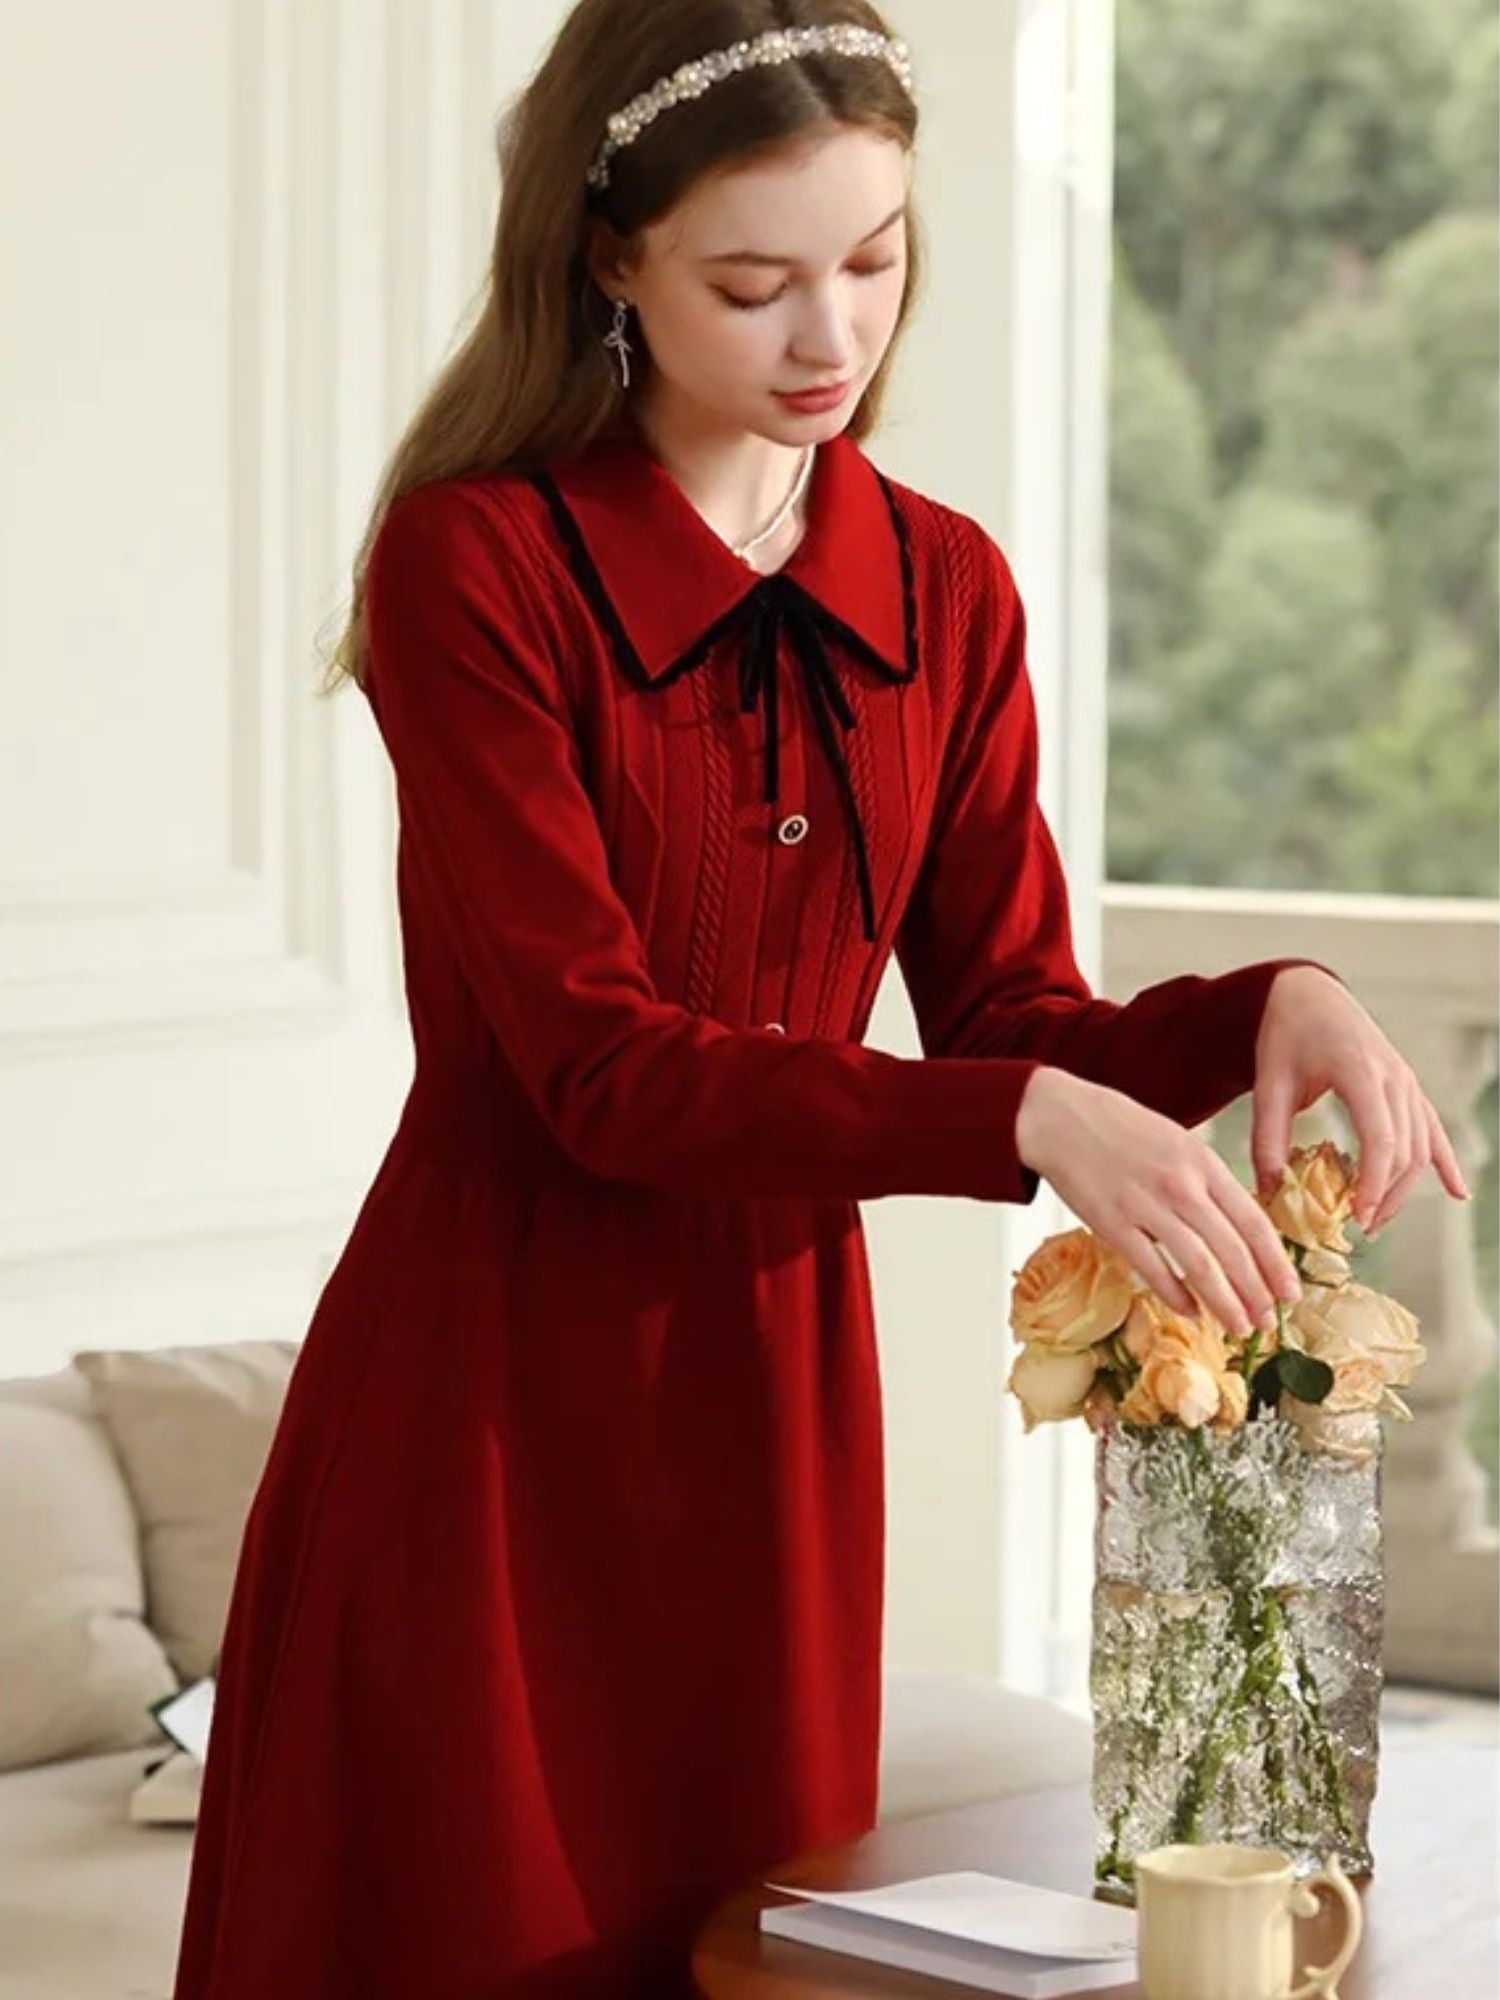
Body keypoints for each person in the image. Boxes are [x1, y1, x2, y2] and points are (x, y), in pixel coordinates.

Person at [169, 4, 1470, 1996]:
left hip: (768, 1425)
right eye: (753, 282)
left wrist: (1263, 1006)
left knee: (738, 1958)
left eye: (873, 258)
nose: (832, 335)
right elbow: (601, 1070)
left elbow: (1014, 1014)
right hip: (485, 1405)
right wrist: (1022, 1117)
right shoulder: (479, 565)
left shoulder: (942, 588)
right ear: (611, 259)